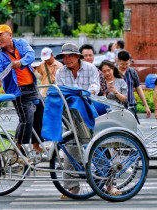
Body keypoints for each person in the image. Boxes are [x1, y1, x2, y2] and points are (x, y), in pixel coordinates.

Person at [0, 24, 42, 163]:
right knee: (26, 118)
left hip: (31, 87)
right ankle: (15, 152)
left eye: (1, 35)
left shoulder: (21, 44)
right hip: (18, 92)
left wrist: (21, 62)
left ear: (10, 35)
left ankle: (36, 146)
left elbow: (31, 55)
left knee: (39, 113)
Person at [55, 43, 100, 199]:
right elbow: (61, 92)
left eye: (70, 56)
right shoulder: (60, 72)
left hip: (88, 111)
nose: (67, 60)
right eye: (64, 57)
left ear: (77, 56)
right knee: (71, 147)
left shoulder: (90, 68)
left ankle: (108, 183)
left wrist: (87, 93)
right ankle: (71, 187)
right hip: (70, 114)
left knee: (96, 145)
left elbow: (95, 86)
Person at [117, 50, 151, 123]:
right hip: (117, 106)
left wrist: (146, 106)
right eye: (122, 64)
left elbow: (138, 88)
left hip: (131, 106)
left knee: (132, 129)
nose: (125, 66)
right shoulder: (113, 72)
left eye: (127, 64)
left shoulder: (132, 72)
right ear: (118, 61)